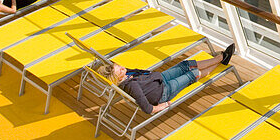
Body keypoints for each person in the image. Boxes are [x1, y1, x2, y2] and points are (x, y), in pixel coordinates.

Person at [98, 44, 235, 115]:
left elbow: (142, 74)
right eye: (120, 70)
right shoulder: (130, 86)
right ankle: (220, 60)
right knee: (192, 74)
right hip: (164, 92)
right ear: (118, 78)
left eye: (120, 66)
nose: (123, 68)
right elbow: (147, 109)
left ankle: (220, 58)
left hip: (159, 78)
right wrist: (163, 105)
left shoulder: (126, 75)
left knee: (185, 65)